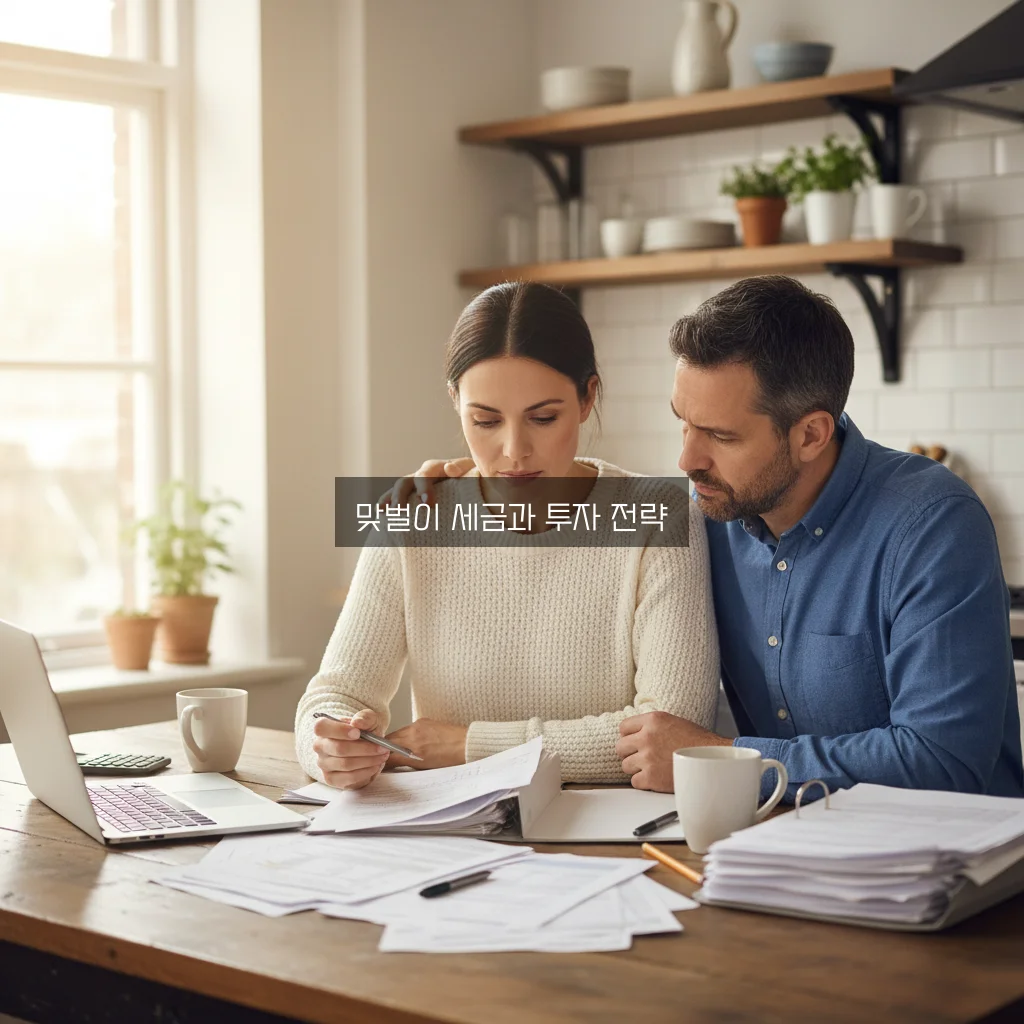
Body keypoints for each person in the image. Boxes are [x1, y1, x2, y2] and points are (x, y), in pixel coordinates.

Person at [406, 275, 1024, 801]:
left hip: (957, 881)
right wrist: (471, 490)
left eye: (720, 437)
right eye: (683, 423)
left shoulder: (932, 524)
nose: (687, 459)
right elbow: (564, 520)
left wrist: (728, 757)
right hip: (777, 852)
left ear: (810, 435)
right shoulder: (704, 510)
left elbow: (944, 763)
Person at [296, 281, 720, 790]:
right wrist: (327, 746)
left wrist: (467, 745)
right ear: (455, 402)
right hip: (449, 832)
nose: (514, 449)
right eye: (485, 420)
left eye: (543, 418)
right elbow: (335, 695)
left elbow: (673, 733)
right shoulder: (414, 516)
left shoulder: (660, 517)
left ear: (587, 397)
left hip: (609, 840)